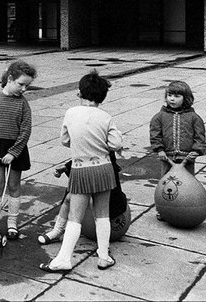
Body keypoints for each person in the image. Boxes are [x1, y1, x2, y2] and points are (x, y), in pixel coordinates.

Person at [40, 70, 123, 273]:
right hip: (104, 169)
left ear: (79, 93)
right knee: (102, 215)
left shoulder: (71, 113)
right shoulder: (106, 117)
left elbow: (65, 140)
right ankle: (103, 256)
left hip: (80, 170)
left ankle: (63, 259)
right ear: (103, 97)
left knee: (75, 217)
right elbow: (116, 143)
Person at [0, 60, 37, 240]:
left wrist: (13, 152)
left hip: (15, 149)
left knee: (13, 186)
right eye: (21, 84)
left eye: (27, 86)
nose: (24, 89)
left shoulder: (22, 104)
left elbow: (25, 130)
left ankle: (12, 222)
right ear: (10, 79)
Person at [149, 80, 206, 219]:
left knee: (187, 185)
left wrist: (196, 151)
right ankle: (163, 209)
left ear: (186, 99)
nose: (172, 99)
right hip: (167, 158)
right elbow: (155, 134)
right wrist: (159, 150)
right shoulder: (160, 117)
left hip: (187, 158)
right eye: (169, 95)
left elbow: (200, 136)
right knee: (165, 183)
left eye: (177, 96)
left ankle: (186, 208)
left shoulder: (194, 118)